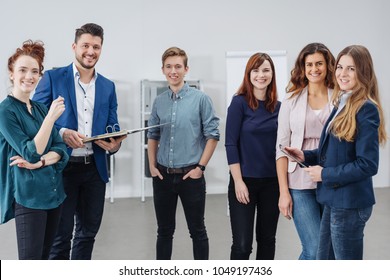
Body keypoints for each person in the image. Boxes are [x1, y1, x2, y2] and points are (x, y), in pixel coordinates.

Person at [33, 23, 126, 260]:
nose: (90, 51)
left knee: (87, 235)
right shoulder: (53, 78)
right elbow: (35, 120)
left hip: (95, 169)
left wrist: (115, 144)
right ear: (75, 46)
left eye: (96, 46)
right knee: (60, 237)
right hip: (62, 168)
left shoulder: (108, 86)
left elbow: (111, 126)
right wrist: (62, 132)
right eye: (85, 45)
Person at [285, 45, 387, 260]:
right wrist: (307, 155)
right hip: (335, 200)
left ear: (363, 71)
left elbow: (367, 164)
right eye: (340, 67)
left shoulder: (365, 107)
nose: (342, 73)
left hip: (349, 203)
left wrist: (324, 174)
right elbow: (337, 151)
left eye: (351, 68)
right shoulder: (343, 102)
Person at [147, 47, 220, 260]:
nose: (173, 71)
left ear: (186, 69)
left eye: (178, 66)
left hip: (191, 177)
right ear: (163, 70)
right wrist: (152, 166)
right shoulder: (159, 101)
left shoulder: (201, 99)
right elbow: (153, 134)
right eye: (169, 67)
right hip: (162, 176)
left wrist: (201, 168)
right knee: (164, 231)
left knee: (197, 231)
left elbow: (213, 135)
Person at [0, 40, 68, 259]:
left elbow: (61, 149)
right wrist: (50, 119)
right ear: (11, 73)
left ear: (40, 76)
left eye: (34, 71)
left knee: (45, 259)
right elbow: (30, 151)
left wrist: (41, 162)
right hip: (29, 197)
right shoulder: (5, 112)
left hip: (54, 193)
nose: (29, 76)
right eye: (22, 70)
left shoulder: (39, 108)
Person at [275, 43, 335, 260]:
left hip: (332, 180)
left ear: (328, 65)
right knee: (313, 249)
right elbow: (281, 149)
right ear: (303, 67)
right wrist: (283, 192)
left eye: (319, 63)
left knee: (330, 252)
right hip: (299, 183)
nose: (314, 69)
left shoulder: (339, 97)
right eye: (309, 64)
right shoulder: (291, 100)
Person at [225, 53, 281, 260]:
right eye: (255, 70)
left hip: (272, 183)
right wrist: (238, 181)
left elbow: (282, 147)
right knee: (242, 245)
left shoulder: (279, 108)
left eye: (266, 70)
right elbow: (230, 144)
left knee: (267, 240)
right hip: (244, 181)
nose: (261, 75)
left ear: (272, 74)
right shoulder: (239, 104)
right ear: (248, 74)